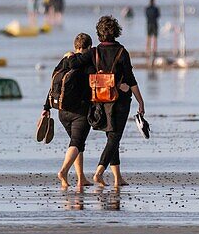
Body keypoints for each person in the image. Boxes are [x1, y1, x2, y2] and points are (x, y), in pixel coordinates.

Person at [67, 16, 146, 187]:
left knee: (112, 137)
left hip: (100, 100)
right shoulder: (122, 52)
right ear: (116, 32)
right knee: (114, 138)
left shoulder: (93, 52)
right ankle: (99, 172)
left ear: (99, 33)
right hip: (120, 100)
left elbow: (74, 63)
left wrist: (70, 54)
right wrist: (140, 101)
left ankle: (117, 178)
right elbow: (131, 79)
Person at [44, 33, 95, 190]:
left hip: (61, 111)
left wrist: (46, 107)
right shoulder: (87, 63)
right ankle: (63, 172)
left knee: (77, 143)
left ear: (75, 47)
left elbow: (54, 86)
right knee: (76, 143)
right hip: (80, 111)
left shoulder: (64, 61)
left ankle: (81, 178)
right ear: (88, 48)